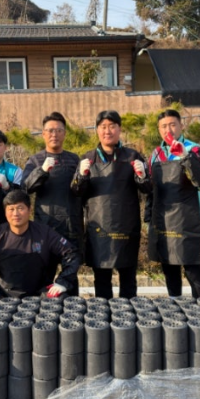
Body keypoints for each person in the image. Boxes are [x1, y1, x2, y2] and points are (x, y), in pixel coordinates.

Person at [71, 110, 152, 299]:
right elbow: (76, 191)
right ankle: (103, 315)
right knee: (101, 280)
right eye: (103, 127)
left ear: (119, 129)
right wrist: (82, 176)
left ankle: (128, 314)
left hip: (127, 227)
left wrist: (142, 176)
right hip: (99, 228)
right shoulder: (88, 158)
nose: (107, 131)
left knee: (128, 279)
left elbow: (148, 189)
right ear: (97, 130)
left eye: (112, 126)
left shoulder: (133, 156)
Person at [0, 190, 81, 307]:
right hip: (2, 295)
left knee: (62, 298)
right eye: (11, 209)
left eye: (20, 208)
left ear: (29, 210)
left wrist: (63, 281)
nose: (16, 214)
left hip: (39, 295)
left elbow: (72, 253)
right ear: (5, 212)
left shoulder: (45, 233)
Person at [146, 109, 200, 299]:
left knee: (192, 266)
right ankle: (174, 303)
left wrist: (185, 156)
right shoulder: (156, 154)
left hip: (188, 218)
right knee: (169, 265)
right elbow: (151, 188)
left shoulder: (194, 149)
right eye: (164, 126)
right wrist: (149, 217)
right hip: (164, 219)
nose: (169, 130)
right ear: (159, 130)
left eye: (173, 125)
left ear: (181, 126)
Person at [21, 112, 83, 295]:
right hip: (44, 227)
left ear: (65, 133)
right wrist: (42, 171)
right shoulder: (35, 160)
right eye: (50, 130)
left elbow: (82, 189)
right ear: (43, 134)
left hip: (71, 226)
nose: (54, 134)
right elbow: (26, 188)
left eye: (58, 130)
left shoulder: (74, 159)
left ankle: (72, 309)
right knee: (43, 276)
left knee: (70, 277)